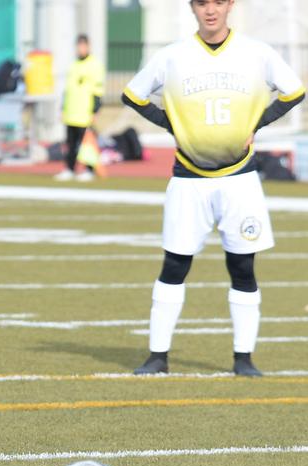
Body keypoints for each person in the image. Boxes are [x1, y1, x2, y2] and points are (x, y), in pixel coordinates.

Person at [122, 0, 304, 376]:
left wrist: (259, 122)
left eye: (218, 2)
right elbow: (133, 95)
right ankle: (157, 356)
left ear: (230, 6)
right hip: (189, 179)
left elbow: (294, 91)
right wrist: (172, 124)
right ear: (192, 7)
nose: (211, 10)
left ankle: (243, 359)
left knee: (242, 267)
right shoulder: (172, 56)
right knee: (174, 264)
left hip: (240, 180)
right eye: (203, 3)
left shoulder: (257, 53)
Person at [54, 34, 105, 182]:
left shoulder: (95, 65)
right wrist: (63, 108)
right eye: (78, 46)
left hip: (84, 111)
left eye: (83, 45)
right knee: (70, 143)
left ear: (88, 46)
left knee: (86, 143)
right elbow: (68, 89)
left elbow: (98, 90)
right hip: (71, 111)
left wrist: (95, 110)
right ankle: (69, 168)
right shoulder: (74, 65)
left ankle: (89, 170)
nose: (80, 49)